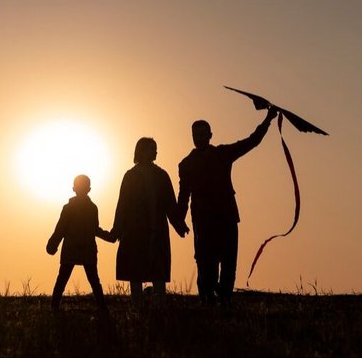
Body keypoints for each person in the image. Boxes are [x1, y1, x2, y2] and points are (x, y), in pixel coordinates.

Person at [177, 107, 277, 306]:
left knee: (229, 264)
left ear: (210, 135)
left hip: (227, 219)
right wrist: (179, 222)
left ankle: (225, 300)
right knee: (206, 265)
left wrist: (268, 119)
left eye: (203, 134)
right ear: (192, 137)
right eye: (196, 135)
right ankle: (207, 301)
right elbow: (184, 196)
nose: (199, 138)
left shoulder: (223, 154)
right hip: (203, 222)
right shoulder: (186, 164)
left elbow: (251, 141)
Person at [109, 137, 188, 306]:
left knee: (158, 269)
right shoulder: (130, 176)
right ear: (142, 151)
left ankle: (160, 305)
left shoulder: (161, 175)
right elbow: (122, 204)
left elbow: (170, 203)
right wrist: (117, 229)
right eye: (152, 148)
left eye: (156, 148)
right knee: (135, 270)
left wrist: (179, 225)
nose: (156, 152)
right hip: (134, 230)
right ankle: (136, 305)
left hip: (157, 229)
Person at [46, 174, 112, 310]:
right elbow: (95, 229)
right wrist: (109, 236)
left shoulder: (70, 208)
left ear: (73, 188)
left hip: (73, 249)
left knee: (63, 279)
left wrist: (53, 244)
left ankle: (54, 307)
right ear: (89, 189)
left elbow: (60, 229)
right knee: (93, 280)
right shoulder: (92, 208)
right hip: (86, 249)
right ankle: (102, 307)